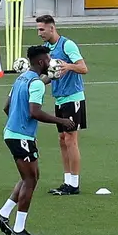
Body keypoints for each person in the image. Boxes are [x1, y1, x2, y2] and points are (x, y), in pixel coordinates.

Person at [0, 42, 76, 235]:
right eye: (48, 59)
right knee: (30, 180)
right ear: (41, 61)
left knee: (31, 176)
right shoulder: (36, 83)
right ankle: (19, 228)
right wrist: (62, 121)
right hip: (20, 137)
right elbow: (34, 112)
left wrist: (19, 124)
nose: (50, 62)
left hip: (15, 134)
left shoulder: (22, 78)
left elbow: (7, 107)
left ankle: (3, 215)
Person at [35, 16, 87, 196]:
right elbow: (51, 75)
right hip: (59, 99)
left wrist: (68, 67)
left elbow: (83, 68)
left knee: (71, 140)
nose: (39, 33)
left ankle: (74, 184)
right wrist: (38, 83)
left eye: (42, 29)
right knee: (62, 140)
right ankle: (67, 182)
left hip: (73, 98)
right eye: (38, 29)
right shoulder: (47, 50)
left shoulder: (67, 45)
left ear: (52, 28)